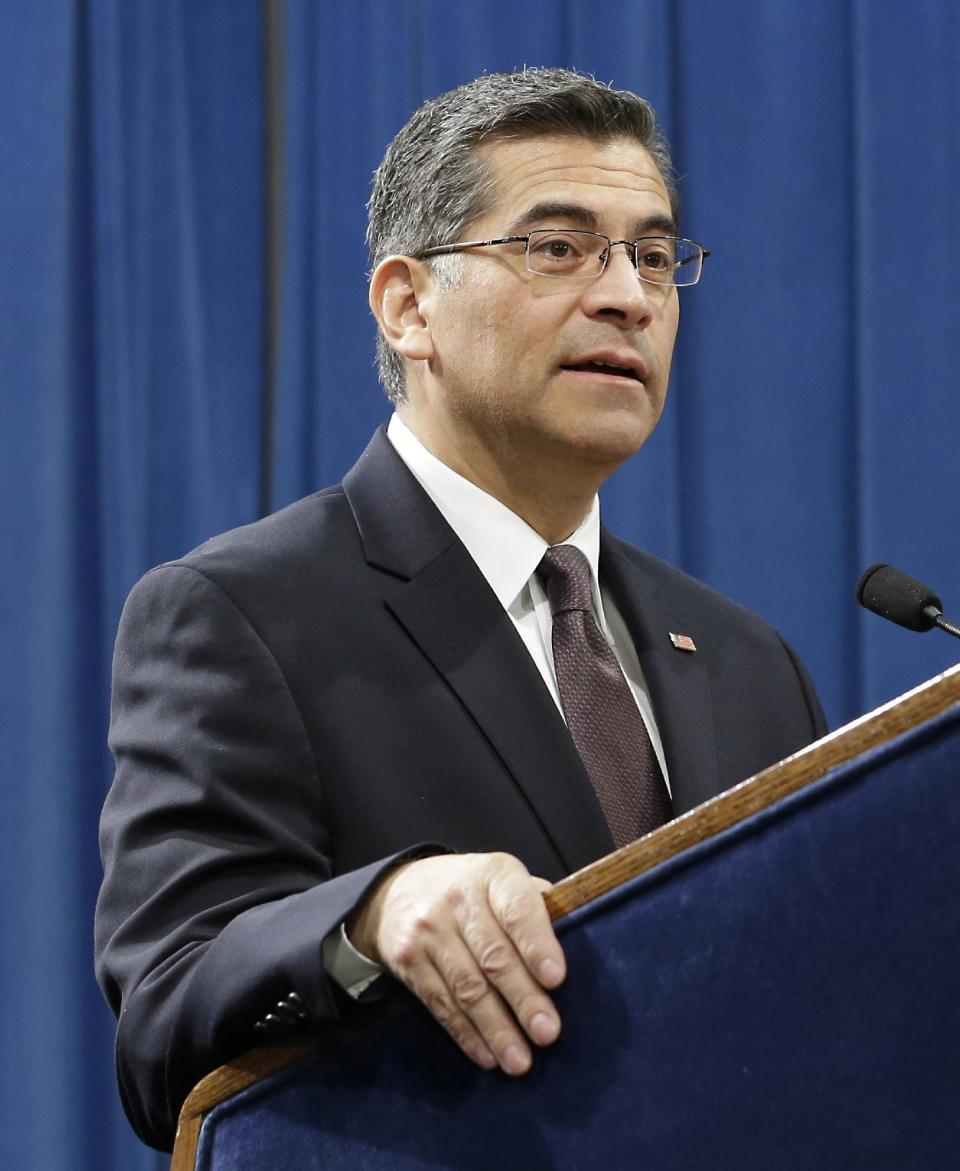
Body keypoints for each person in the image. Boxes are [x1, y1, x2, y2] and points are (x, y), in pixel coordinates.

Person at [95, 67, 826, 1152]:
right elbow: (167, 1015)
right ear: (408, 305)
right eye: (558, 248)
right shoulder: (243, 613)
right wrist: (372, 916)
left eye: (655, 256)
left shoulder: (745, 658)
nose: (628, 295)